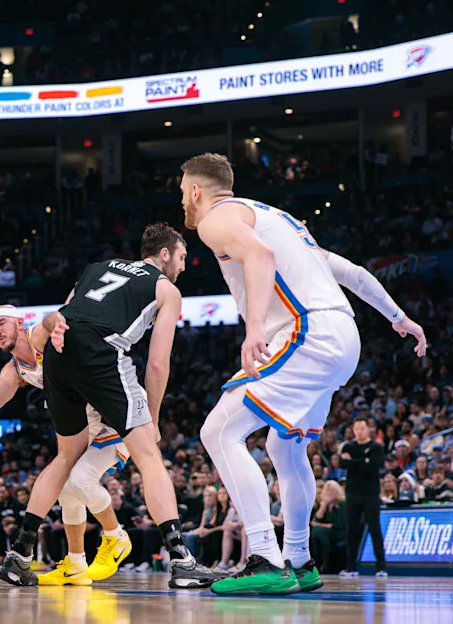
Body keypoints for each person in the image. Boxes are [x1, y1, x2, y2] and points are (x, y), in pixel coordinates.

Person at [179, 152, 427, 595]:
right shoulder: (283, 219)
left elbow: (258, 254)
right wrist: (398, 317)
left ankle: (265, 560)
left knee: (217, 432)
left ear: (196, 190)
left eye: (182, 193)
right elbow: (350, 271)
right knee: (284, 447)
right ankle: (300, 558)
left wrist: (253, 327)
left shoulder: (215, 219)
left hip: (306, 333)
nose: (183, 202)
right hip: (342, 337)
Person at [0, 223, 223, 588]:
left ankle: (19, 555)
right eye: (181, 258)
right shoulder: (165, 289)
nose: (184, 267)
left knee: (65, 459)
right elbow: (157, 362)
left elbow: (62, 316)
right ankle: (182, 560)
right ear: (164, 254)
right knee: (148, 456)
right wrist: (153, 415)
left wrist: (52, 333)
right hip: (101, 352)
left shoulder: (98, 267)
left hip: (59, 353)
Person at [0, 299, 134, 585]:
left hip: (115, 419)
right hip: (85, 428)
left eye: (1, 323)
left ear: (19, 323)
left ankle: (116, 535)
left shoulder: (38, 336)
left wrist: (56, 321)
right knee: (66, 491)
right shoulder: (14, 370)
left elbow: (49, 320)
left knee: (79, 481)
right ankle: (75, 564)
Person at [340, 418, 387, 578]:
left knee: (374, 529)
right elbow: (342, 464)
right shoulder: (348, 446)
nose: (359, 431)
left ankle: (381, 567)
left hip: (370, 493)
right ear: (353, 430)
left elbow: (374, 466)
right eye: (356, 428)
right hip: (352, 493)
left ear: (368, 429)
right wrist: (363, 461)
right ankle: (350, 567)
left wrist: (353, 461)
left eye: (362, 428)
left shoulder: (376, 447)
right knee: (351, 531)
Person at [310, 481, 346, 574]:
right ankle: (318, 561)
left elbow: (340, 525)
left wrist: (322, 525)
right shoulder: (325, 505)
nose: (330, 492)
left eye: (333, 490)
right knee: (315, 531)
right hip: (327, 533)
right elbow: (317, 519)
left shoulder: (342, 503)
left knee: (319, 531)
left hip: (341, 533)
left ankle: (324, 563)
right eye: (328, 490)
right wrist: (324, 505)